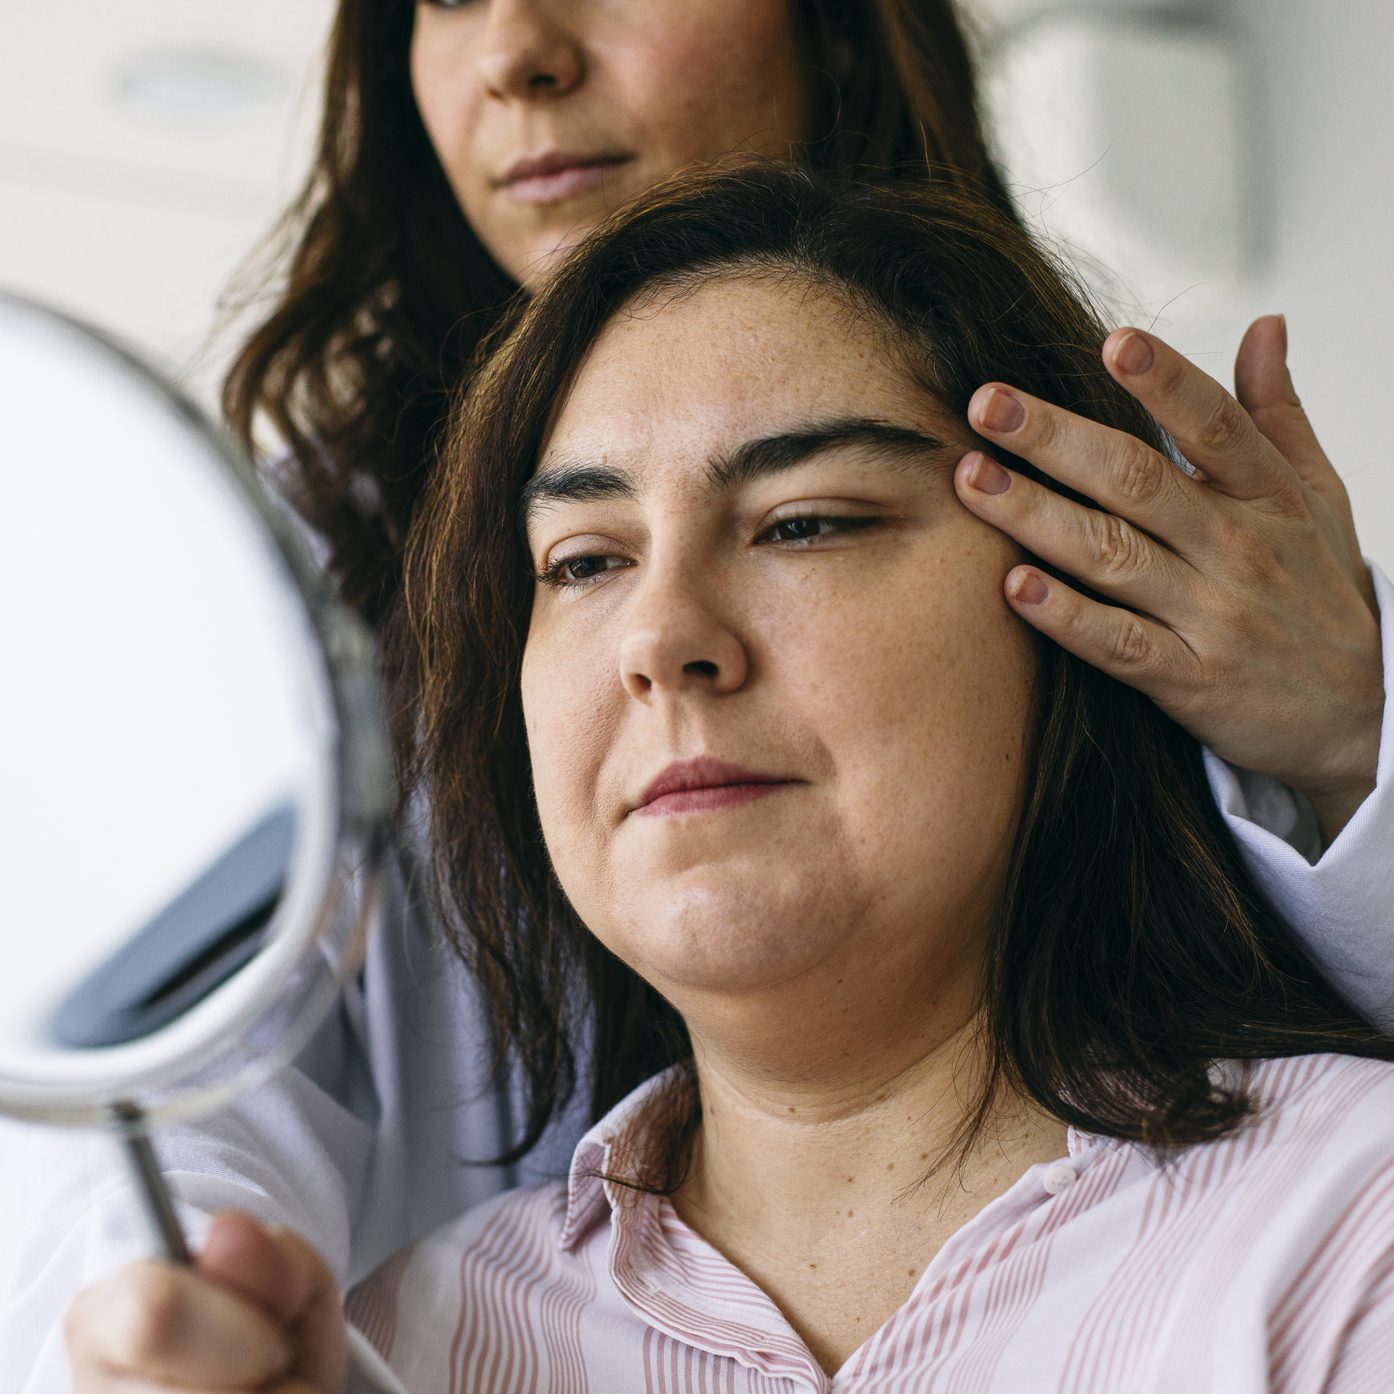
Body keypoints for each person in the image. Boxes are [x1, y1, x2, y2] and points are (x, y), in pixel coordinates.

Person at [5, 0, 1393, 1386]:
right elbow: (173, 1095)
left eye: (804, 523)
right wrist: (179, 1323)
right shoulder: (414, 1331)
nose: (513, 54)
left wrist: (1345, 745)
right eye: (582, 559)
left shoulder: (1326, 1229)